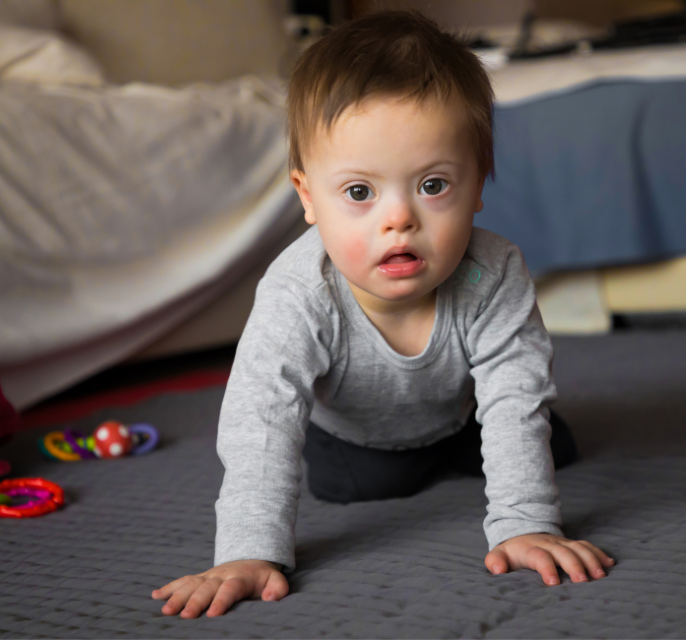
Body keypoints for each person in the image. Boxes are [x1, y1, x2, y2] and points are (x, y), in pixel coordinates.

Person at [152, 10, 614, 619]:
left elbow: (512, 392)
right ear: (308, 196)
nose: (398, 219)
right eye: (360, 192)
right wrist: (247, 551)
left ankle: (474, 459)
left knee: (540, 437)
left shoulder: (493, 272)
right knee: (360, 488)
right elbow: (260, 417)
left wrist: (525, 524)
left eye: (432, 185)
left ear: (479, 186)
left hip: (465, 414)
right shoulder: (299, 292)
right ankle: (414, 462)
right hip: (360, 437)